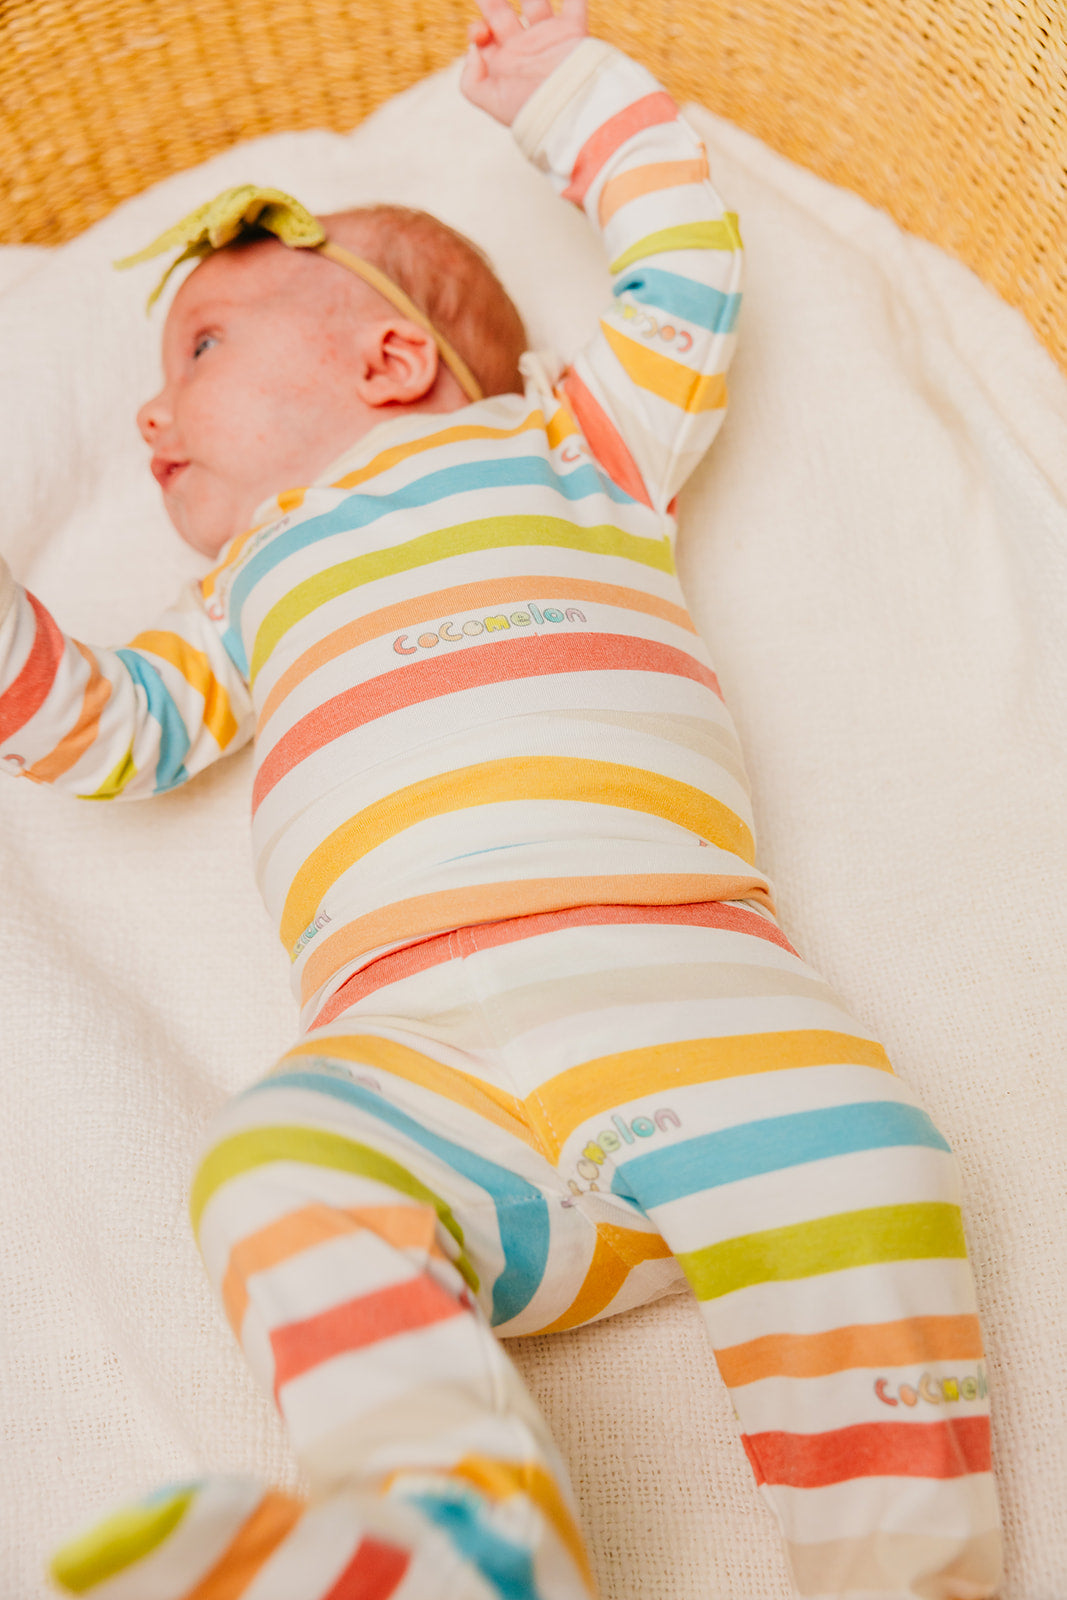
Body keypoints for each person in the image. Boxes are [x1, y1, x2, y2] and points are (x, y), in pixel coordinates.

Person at [0, 2, 1000, 1596]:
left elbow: (686, 269)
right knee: (273, 1165)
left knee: (864, 1154)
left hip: (680, 973)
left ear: (391, 356)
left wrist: (566, 93)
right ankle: (462, 1535)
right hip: (414, 1050)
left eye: (199, 348)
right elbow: (112, 732)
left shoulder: (572, 449)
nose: (148, 413)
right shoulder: (247, 592)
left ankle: (901, 1569)